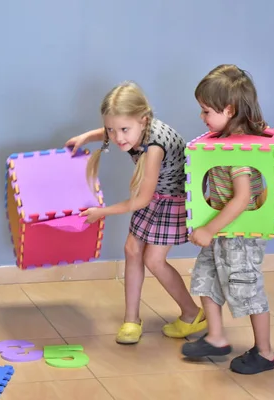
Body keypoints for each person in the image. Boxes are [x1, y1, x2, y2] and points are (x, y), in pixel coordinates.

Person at [65, 81, 207, 345]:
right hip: (154, 196)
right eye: (111, 130)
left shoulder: (154, 148)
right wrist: (87, 137)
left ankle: (192, 313)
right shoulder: (133, 129)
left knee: (153, 260)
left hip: (173, 200)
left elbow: (140, 200)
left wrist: (102, 212)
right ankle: (131, 319)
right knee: (132, 250)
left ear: (143, 120)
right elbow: (116, 128)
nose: (118, 138)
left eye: (124, 130)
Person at [181, 64, 274, 375]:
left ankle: (265, 352)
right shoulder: (223, 140)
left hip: (240, 234)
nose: (202, 117)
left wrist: (209, 228)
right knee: (207, 278)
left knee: (247, 288)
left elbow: (242, 197)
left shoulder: (238, 149)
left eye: (206, 111)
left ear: (229, 109)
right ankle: (217, 337)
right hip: (223, 229)